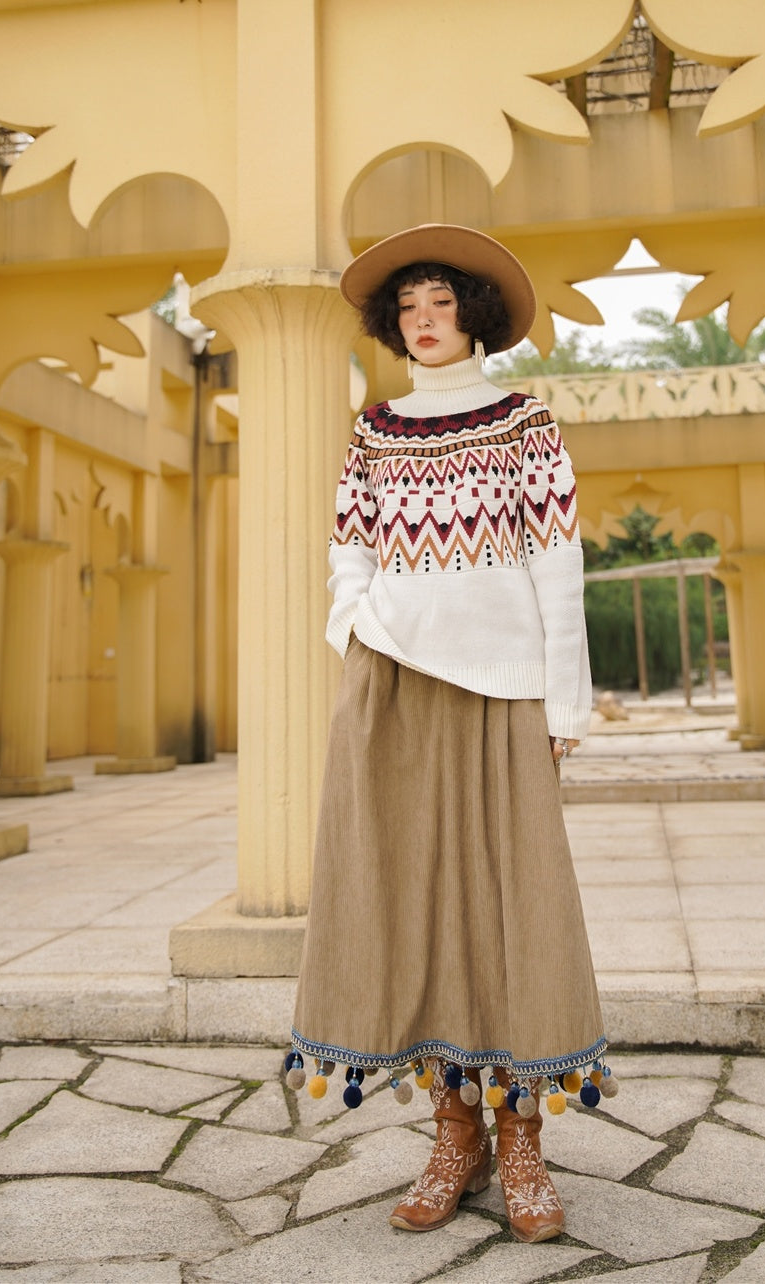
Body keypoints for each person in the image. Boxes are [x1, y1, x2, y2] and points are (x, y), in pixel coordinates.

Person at [285, 224, 611, 1244]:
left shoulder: (525, 421)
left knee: (513, 907)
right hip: (393, 686)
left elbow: (557, 564)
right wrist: (356, 628)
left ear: (472, 313)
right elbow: (349, 546)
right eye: (408, 309)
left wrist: (564, 706)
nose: (424, 322)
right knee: (409, 896)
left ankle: (524, 1144)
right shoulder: (375, 427)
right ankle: (453, 1135)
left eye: (440, 303)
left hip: (503, 692)